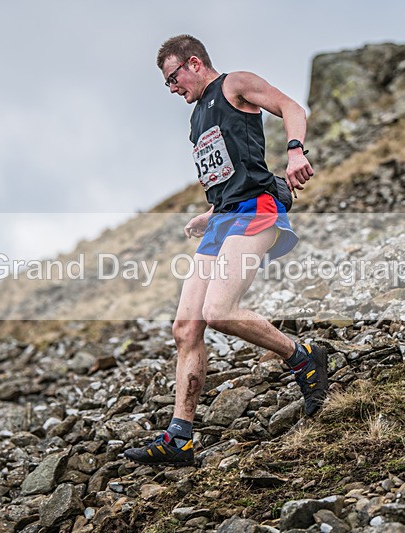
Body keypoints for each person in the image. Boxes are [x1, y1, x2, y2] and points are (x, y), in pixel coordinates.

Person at [124, 35, 327, 467]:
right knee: (186, 326)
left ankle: (302, 356)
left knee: (220, 312)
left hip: (258, 210)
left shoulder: (236, 84)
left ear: (193, 63)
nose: (172, 89)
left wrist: (294, 152)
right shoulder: (197, 120)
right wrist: (210, 212)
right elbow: (226, 171)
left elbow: (292, 107)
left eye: (172, 79)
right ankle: (180, 437)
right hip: (223, 219)